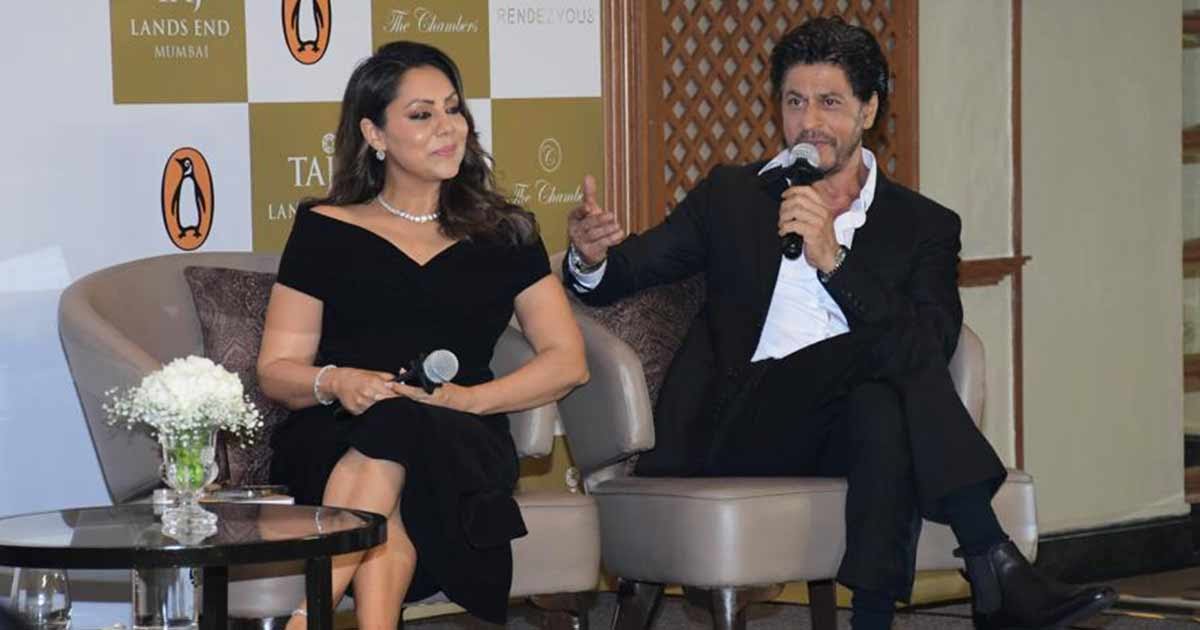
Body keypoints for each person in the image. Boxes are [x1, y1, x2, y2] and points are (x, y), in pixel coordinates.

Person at [564, 16, 1114, 630]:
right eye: (794, 102)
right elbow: (625, 272)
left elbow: (933, 342)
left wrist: (835, 262)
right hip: (737, 423)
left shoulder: (923, 225)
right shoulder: (733, 195)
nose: (809, 122)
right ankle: (993, 560)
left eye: (829, 102)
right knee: (880, 353)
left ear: (868, 109)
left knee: (880, 406)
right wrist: (589, 257)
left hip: (838, 429)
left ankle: (875, 619)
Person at [257, 41, 588, 629]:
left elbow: (568, 361)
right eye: (421, 114)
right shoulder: (325, 229)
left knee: (398, 431)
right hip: (336, 430)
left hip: (460, 434)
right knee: (389, 438)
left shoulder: (505, 232)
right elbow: (277, 371)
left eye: (453, 109)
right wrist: (338, 381)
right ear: (374, 134)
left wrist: (470, 400)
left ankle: (306, 619)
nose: (447, 127)